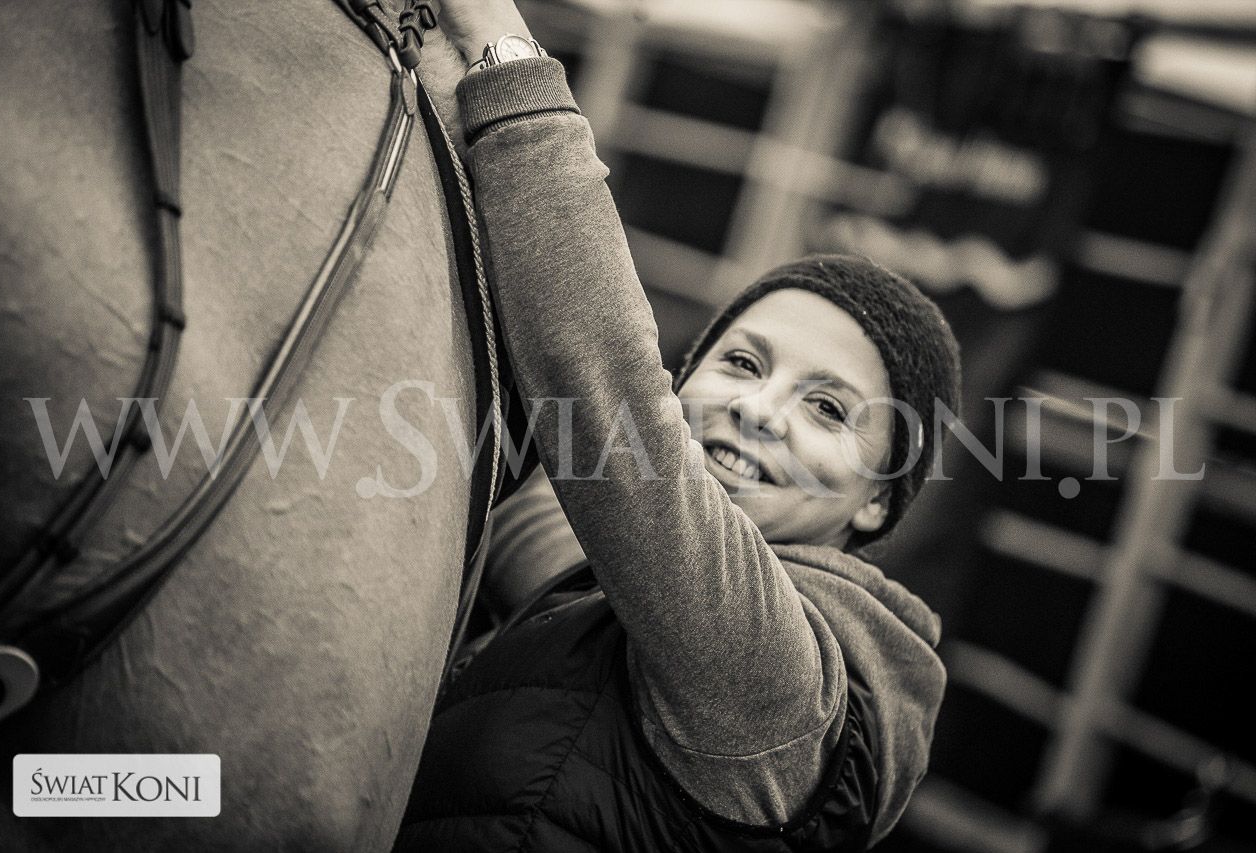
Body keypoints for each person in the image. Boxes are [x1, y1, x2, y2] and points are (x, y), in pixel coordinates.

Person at [396, 2, 962, 850]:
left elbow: (604, 397)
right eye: (743, 362)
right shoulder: (594, 571)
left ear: (879, 498)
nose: (757, 408)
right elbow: (544, 461)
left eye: (828, 408)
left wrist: (499, 51)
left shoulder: (783, 689)